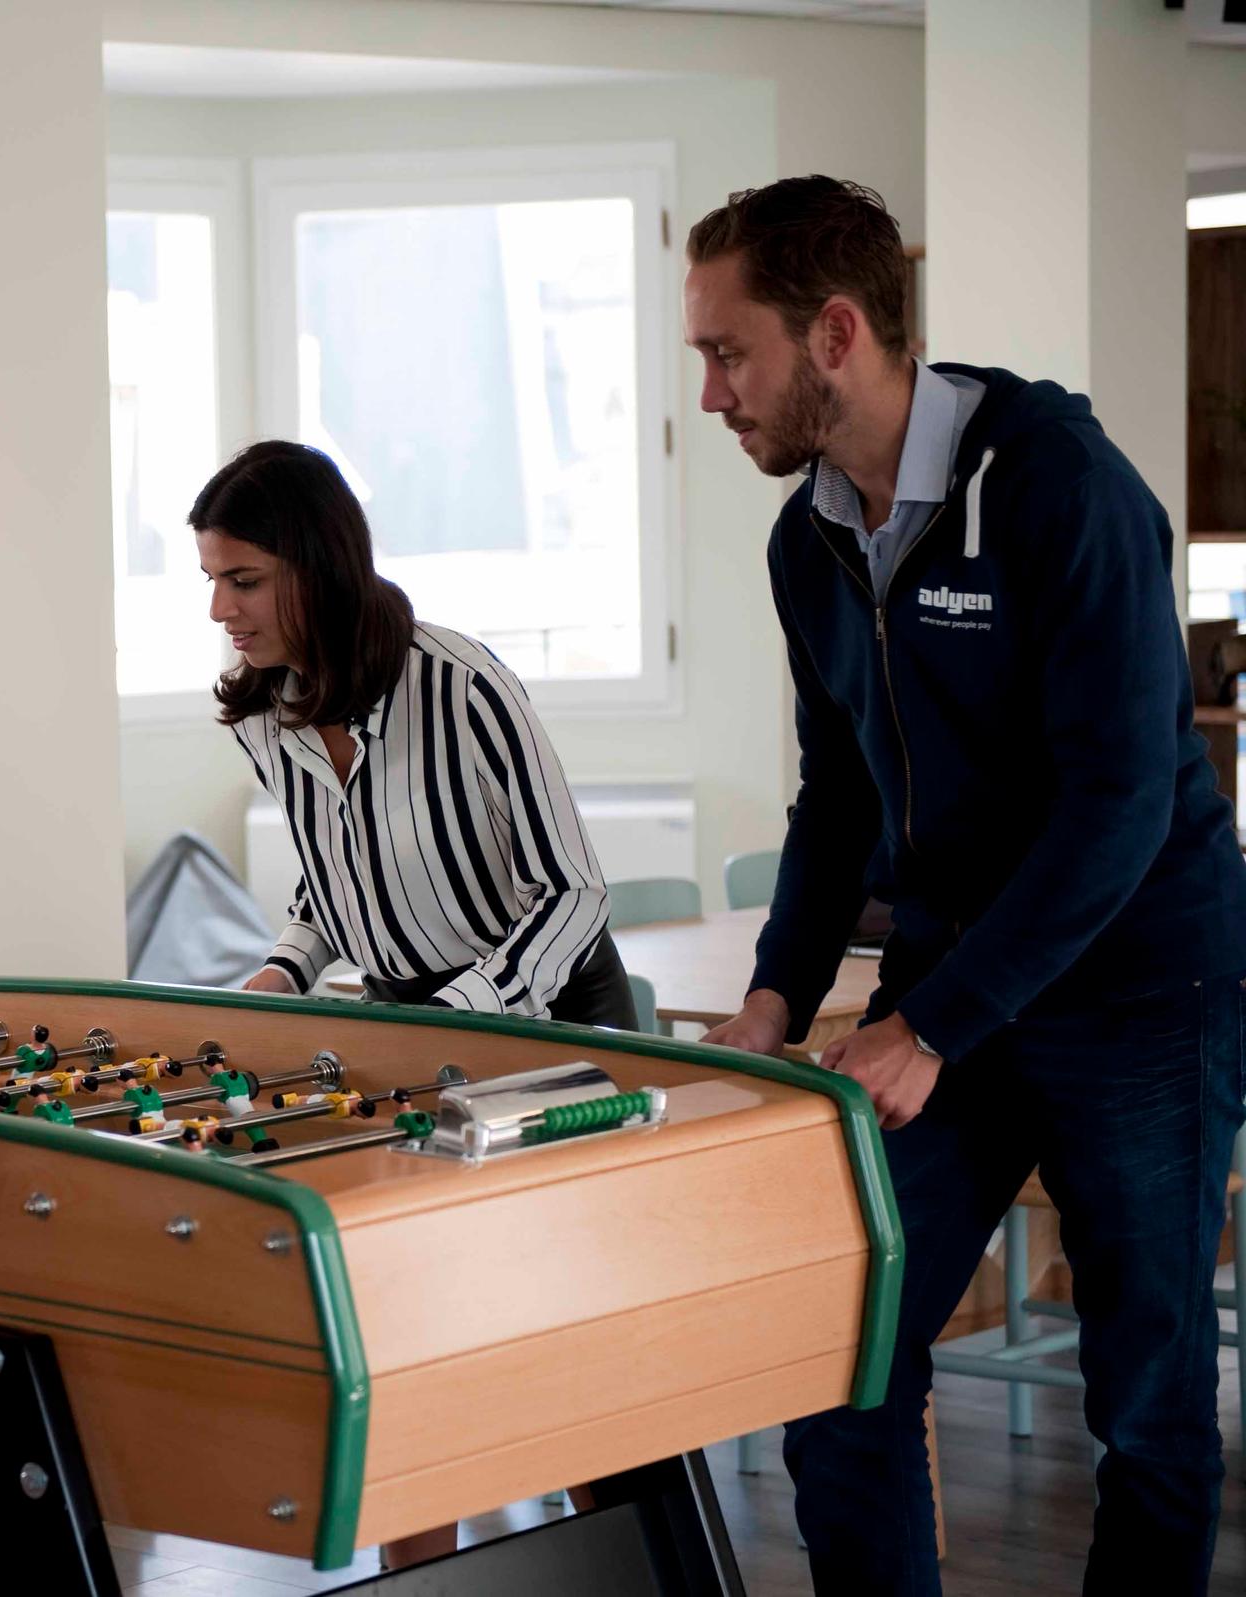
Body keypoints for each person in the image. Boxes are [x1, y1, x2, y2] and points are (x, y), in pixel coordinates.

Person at [685, 176, 1246, 1596]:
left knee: (1148, 1407)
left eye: (729, 352)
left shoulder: (1065, 489)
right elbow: (838, 794)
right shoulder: (807, 539)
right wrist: (775, 997)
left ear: (834, 333)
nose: (710, 396)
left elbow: (1122, 804)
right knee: (844, 1352)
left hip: (1139, 986)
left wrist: (929, 1026)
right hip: (952, 987)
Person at [195, 441, 633, 1028]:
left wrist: (458, 1013)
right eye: (212, 580)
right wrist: (285, 970)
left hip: (547, 1011)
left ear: (320, 570)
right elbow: (343, 874)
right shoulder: (261, 717)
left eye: (244, 581)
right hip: (408, 1014)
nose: (219, 609)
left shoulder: (463, 686)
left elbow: (573, 895)